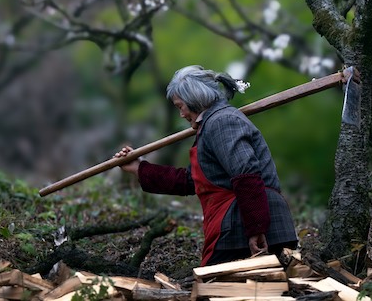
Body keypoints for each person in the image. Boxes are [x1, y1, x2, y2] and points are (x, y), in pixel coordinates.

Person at [115, 65, 298, 266]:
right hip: (242, 223)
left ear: (194, 99)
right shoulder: (213, 124)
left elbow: (246, 174)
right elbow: (191, 180)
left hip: (246, 224)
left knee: (216, 289)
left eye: (180, 106)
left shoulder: (222, 121)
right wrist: (139, 167)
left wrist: (256, 228)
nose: (181, 114)